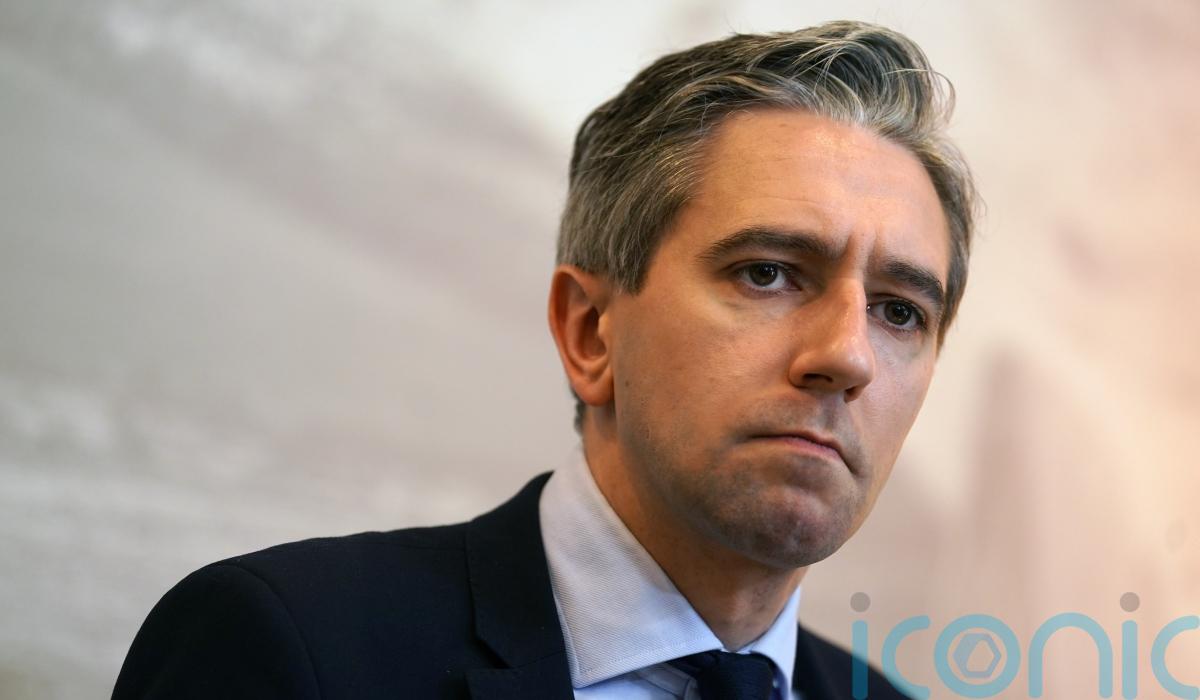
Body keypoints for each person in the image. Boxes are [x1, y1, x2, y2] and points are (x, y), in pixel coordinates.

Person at [113, 20, 976, 700]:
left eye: (900, 312)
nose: (847, 355)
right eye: (768, 273)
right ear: (590, 330)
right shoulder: (289, 649)